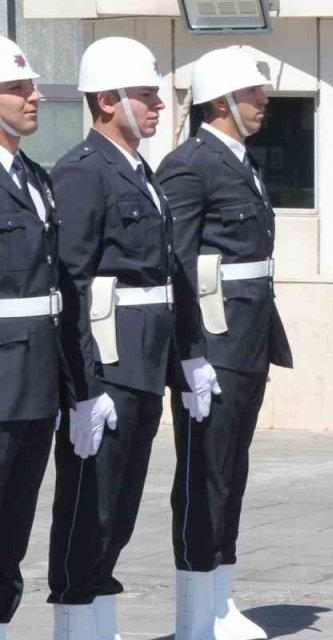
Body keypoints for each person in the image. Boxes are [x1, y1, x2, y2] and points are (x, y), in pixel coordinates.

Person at [49, 37, 206, 639]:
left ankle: (100, 622)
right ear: (108, 99)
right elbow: (73, 284)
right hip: (110, 364)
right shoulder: (83, 172)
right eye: (146, 95)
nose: (158, 105)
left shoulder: (138, 171)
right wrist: (85, 386)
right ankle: (76, 625)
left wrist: (187, 358)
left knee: (121, 506)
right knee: (92, 504)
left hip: (145, 360)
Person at [156, 46, 294, 640]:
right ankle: (196, 606)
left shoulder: (240, 161)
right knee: (205, 471)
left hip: (247, 339)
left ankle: (219, 596)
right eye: (251, 94)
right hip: (213, 343)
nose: (263, 102)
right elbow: (177, 264)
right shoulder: (191, 165)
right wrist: (188, 352)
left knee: (231, 469)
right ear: (220, 102)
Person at [0, 37, 69, 640]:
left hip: (35, 382)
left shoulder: (36, 178)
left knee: (12, 532)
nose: (35, 96)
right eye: (19, 87)